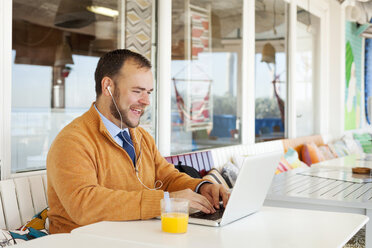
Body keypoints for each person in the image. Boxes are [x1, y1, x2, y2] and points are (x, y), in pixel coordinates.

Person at [47, 49, 229, 234]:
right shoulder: (73, 140)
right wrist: (164, 202)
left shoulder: (140, 136)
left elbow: (166, 178)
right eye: (137, 91)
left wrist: (201, 187)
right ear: (107, 86)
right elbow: (84, 204)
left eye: (148, 92)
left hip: (134, 236)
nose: (146, 101)